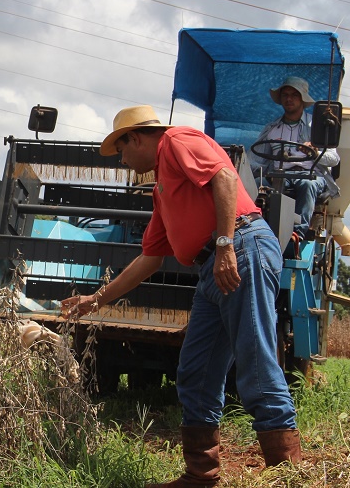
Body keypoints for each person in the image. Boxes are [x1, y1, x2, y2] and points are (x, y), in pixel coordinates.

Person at [61, 106, 301, 487]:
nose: (123, 161)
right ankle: (200, 475)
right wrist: (97, 299)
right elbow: (150, 259)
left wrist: (224, 246)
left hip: (240, 248)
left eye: (121, 150)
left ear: (137, 137)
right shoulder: (162, 191)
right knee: (196, 370)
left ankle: (290, 475)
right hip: (212, 266)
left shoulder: (176, 140)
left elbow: (223, 176)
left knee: (254, 359)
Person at [250, 76, 340, 240]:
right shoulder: (271, 128)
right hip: (278, 175)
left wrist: (314, 153)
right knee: (254, 185)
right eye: (285, 95)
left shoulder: (318, 126)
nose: (289, 99)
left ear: (303, 99)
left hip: (310, 175)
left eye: (294, 95)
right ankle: (253, 230)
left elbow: (333, 159)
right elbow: (255, 159)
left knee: (307, 185)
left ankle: (296, 234)